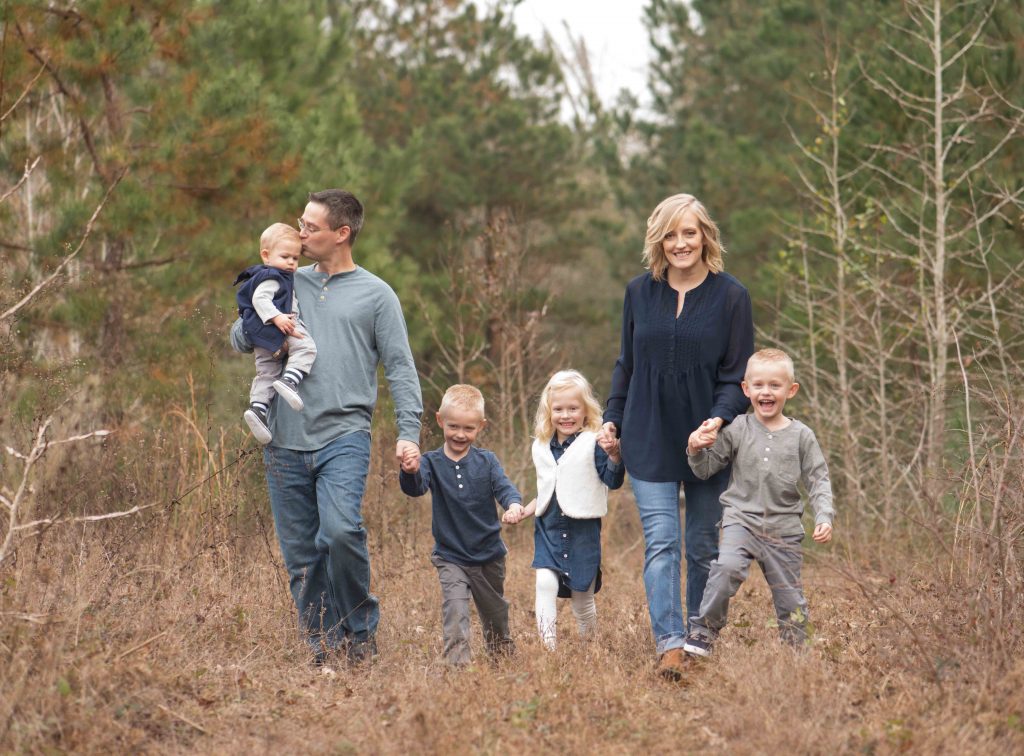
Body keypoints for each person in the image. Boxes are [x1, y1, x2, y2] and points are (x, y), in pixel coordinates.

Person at [230, 189, 422, 665]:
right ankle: (323, 646)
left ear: (342, 233)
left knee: (339, 533)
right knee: (302, 558)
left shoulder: (377, 295)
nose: (299, 233)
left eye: (310, 227)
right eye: (299, 223)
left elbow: (399, 367)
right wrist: (262, 320)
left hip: (344, 435)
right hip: (283, 437)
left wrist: (408, 431)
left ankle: (360, 633)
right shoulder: (287, 280)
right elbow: (238, 339)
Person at [598, 193, 754, 680]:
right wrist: (612, 417)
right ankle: (669, 645)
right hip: (647, 432)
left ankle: (698, 636)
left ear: (705, 235)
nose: (680, 243)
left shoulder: (732, 296)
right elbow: (627, 362)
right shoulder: (638, 292)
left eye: (689, 232)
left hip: (707, 440)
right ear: (658, 240)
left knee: (702, 544)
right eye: (670, 234)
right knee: (662, 542)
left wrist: (720, 419)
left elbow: (736, 375)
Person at [682, 348, 834, 657]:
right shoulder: (738, 427)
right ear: (746, 389)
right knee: (725, 569)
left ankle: (796, 652)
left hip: (784, 527)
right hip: (741, 520)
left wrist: (824, 516)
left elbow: (818, 479)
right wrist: (695, 447)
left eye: (775, 385)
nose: (766, 392)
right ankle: (703, 632)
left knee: (789, 596)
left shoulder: (802, 435)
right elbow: (707, 467)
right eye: (759, 385)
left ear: (790, 390)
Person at [399, 384, 522, 666]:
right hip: (451, 555)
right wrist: (411, 471)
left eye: (468, 428)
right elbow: (416, 488)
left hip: (489, 555)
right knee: (456, 610)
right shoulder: (430, 461)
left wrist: (513, 505)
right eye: (453, 426)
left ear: (481, 426)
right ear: (440, 420)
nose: (460, 434)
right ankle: (456, 669)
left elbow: (505, 489)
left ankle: (501, 658)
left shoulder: (486, 461)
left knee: (494, 614)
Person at [503, 370, 625, 650]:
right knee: (544, 582)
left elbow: (612, 480)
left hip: (582, 532)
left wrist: (615, 455)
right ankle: (549, 651)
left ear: (585, 410)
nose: (566, 415)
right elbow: (547, 490)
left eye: (573, 408)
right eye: (558, 409)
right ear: (549, 411)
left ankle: (589, 646)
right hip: (549, 529)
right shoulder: (541, 446)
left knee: (582, 598)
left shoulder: (593, 442)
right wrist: (523, 510)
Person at [233, 223, 317, 445]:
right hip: (279, 326)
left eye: (295, 259)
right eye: (285, 256)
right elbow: (260, 299)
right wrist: (277, 318)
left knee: (266, 372)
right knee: (306, 347)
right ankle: (290, 380)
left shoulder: (273, 274)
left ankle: (258, 409)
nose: (291, 262)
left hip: (262, 335)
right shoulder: (273, 277)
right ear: (266, 255)